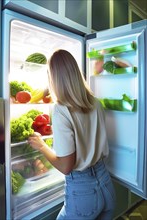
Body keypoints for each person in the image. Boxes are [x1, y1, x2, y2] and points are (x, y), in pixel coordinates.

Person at [28, 49, 116, 220]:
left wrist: (42, 146)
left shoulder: (61, 110)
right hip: (105, 183)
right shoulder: (95, 103)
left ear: (53, 78)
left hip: (83, 190)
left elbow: (66, 166)